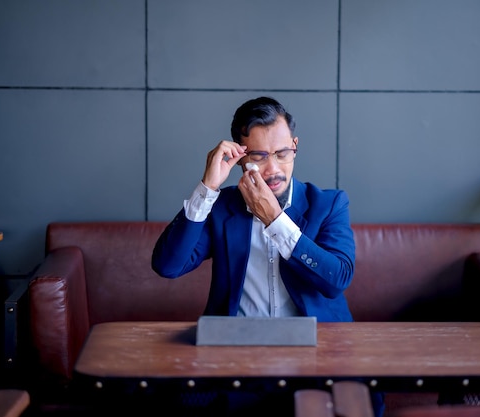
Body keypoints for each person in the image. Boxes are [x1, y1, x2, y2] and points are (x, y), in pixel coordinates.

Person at [151, 96, 384, 417]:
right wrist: (208, 186)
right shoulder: (222, 207)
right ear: (239, 155)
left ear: (295, 145)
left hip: (319, 353)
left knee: (349, 405)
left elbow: (337, 279)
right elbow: (168, 265)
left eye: (283, 153)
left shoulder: (328, 204)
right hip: (236, 355)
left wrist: (275, 220)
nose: (273, 168)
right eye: (259, 156)